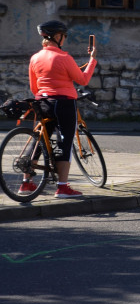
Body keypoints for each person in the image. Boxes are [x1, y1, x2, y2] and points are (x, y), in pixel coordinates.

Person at [22, 21, 99, 198]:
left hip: (42, 102)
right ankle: (62, 187)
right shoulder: (64, 58)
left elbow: (34, 88)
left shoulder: (35, 58)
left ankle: (26, 183)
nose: (64, 39)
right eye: (64, 36)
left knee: (39, 141)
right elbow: (83, 79)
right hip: (64, 103)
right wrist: (92, 60)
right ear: (57, 37)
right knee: (65, 141)